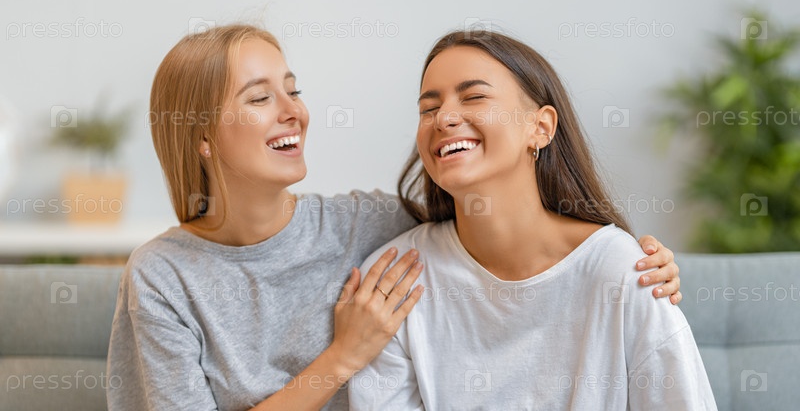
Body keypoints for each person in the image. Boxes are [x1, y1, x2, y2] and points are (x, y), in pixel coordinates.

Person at [106, 24, 684, 411]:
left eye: (293, 91)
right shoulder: (162, 276)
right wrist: (341, 358)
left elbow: (494, 228)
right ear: (201, 137)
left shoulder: (371, 228)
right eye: (260, 99)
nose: (295, 113)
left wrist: (633, 261)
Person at [348, 30, 715, 409]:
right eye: (429, 109)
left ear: (540, 128)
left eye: (473, 97)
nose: (444, 118)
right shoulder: (395, 281)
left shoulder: (625, 271)